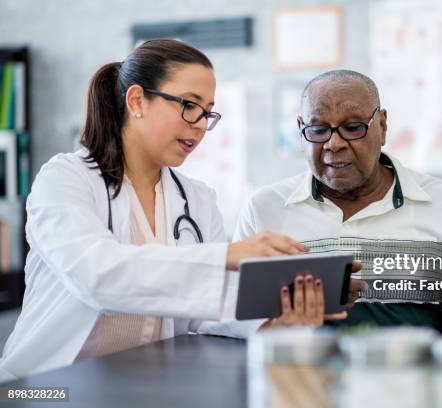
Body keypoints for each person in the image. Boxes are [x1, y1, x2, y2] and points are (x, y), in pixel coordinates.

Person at [0, 40, 346, 382]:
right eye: (188, 105)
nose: (198, 124)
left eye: (207, 112)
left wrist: (273, 319)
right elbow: (97, 276)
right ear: (137, 101)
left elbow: (207, 308)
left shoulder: (196, 199)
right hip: (48, 385)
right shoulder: (64, 179)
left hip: (145, 384)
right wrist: (225, 255)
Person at [220, 70, 442, 336]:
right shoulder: (264, 209)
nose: (334, 144)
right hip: (299, 380)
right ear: (300, 131)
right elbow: (228, 320)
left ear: (382, 125)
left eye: (352, 127)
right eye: (318, 130)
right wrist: (278, 325)